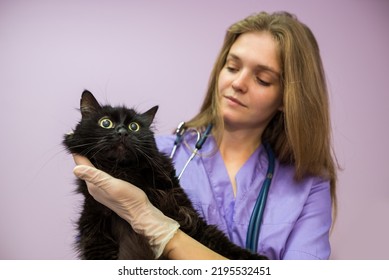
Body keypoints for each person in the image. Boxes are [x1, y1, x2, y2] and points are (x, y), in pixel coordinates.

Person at [73, 11, 337, 260]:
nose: (238, 83)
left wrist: (158, 228)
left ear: (287, 98)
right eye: (232, 67)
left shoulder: (309, 185)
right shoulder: (152, 157)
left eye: (262, 79)